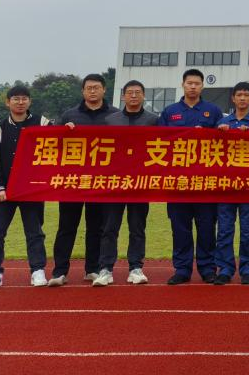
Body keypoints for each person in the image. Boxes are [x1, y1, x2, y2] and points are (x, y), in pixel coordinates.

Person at [46, 74, 119, 287]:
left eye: (96, 87)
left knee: (96, 227)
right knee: (66, 227)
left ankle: (92, 269)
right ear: (83, 91)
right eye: (89, 88)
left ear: (104, 89)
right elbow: (54, 144)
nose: (93, 91)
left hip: (101, 181)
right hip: (73, 181)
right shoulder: (70, 115)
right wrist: (63, 131)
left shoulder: (115, 116)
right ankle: (60, 271)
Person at [158, 68, 225, 285]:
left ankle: (207, 268)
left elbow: (224, 142)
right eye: (189, 83)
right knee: (180, 228)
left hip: (206, 182)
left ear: (202, 86)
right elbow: (159, 142)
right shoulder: (170, 112)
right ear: (183, 85)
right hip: (178, 182)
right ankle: (182, 269)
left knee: (206, 228)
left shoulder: (213, 111)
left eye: (197, 83)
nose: (193, 87)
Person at [0, 85, 51, 290]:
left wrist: (69, 127)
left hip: (31, 190)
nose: (20, 102)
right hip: (4, 190)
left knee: (35, 233)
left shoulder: (42, 123)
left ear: (30, 101)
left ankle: (37, 270)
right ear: (8, 102)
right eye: (16, 99)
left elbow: (61, 143)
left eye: (24, 98)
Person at [94, 80, 158, 287]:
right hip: (115, 183)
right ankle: (105, 269)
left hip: (140, 182)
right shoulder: (110, 120)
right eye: (130, 92)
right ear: (123, 96)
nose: (133, 96)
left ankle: (135, 268)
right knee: (109, 228)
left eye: (137, 92)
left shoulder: (153, 120)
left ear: (144, 95)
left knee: (137, 227)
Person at [213, 82, 249, 285]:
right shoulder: (223, 122)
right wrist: (219, 133)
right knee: (224, 230)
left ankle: (248, 269)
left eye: (246, 95)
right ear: (233, 98)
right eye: (239, 95)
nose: (242, 98)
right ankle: (225, 269)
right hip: (226, 185)